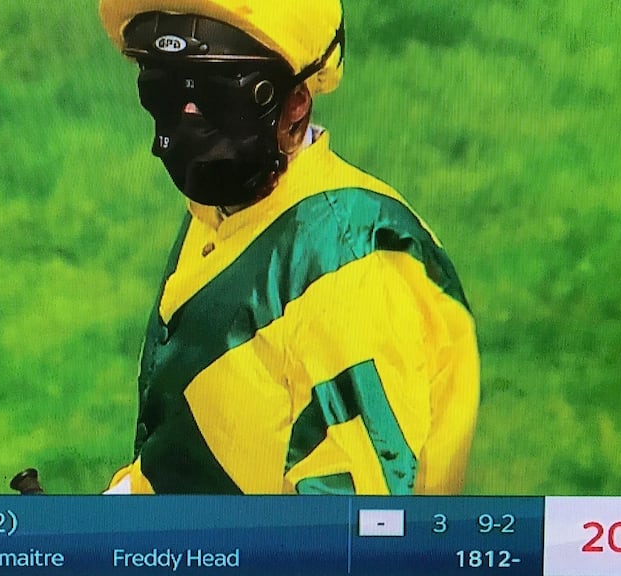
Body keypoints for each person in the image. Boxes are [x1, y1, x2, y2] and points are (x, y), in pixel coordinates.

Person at [98, 0, 480, 495]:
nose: (188, 116)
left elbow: (350, 539)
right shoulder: (225, 211)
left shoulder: (342, 269)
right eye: (165, 86)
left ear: (294, 102)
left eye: (213, 89)